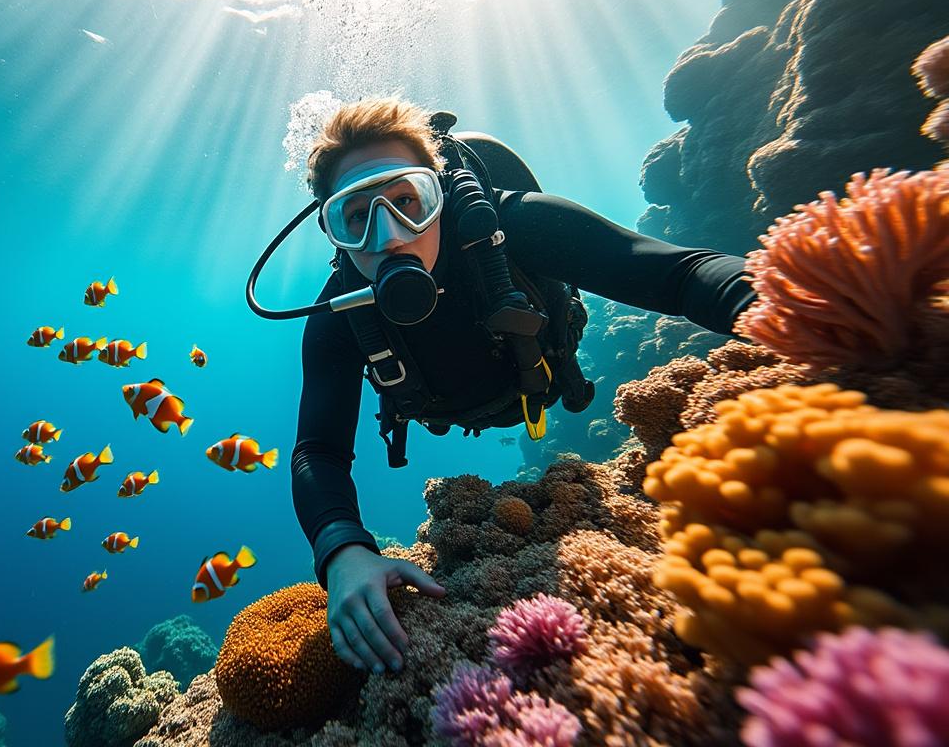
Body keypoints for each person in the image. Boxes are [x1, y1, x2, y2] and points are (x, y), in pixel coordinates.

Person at [281, 97, 757, 675]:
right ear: (334, 233)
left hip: (543, 376)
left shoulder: (512, 225)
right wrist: (343, 552)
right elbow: (318, 452)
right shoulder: (337, 318)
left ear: (439, 194)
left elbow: (678, 274)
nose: (390, 236)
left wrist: (776, 302)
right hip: (454, 403)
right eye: (356, 216)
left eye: (407, 202)